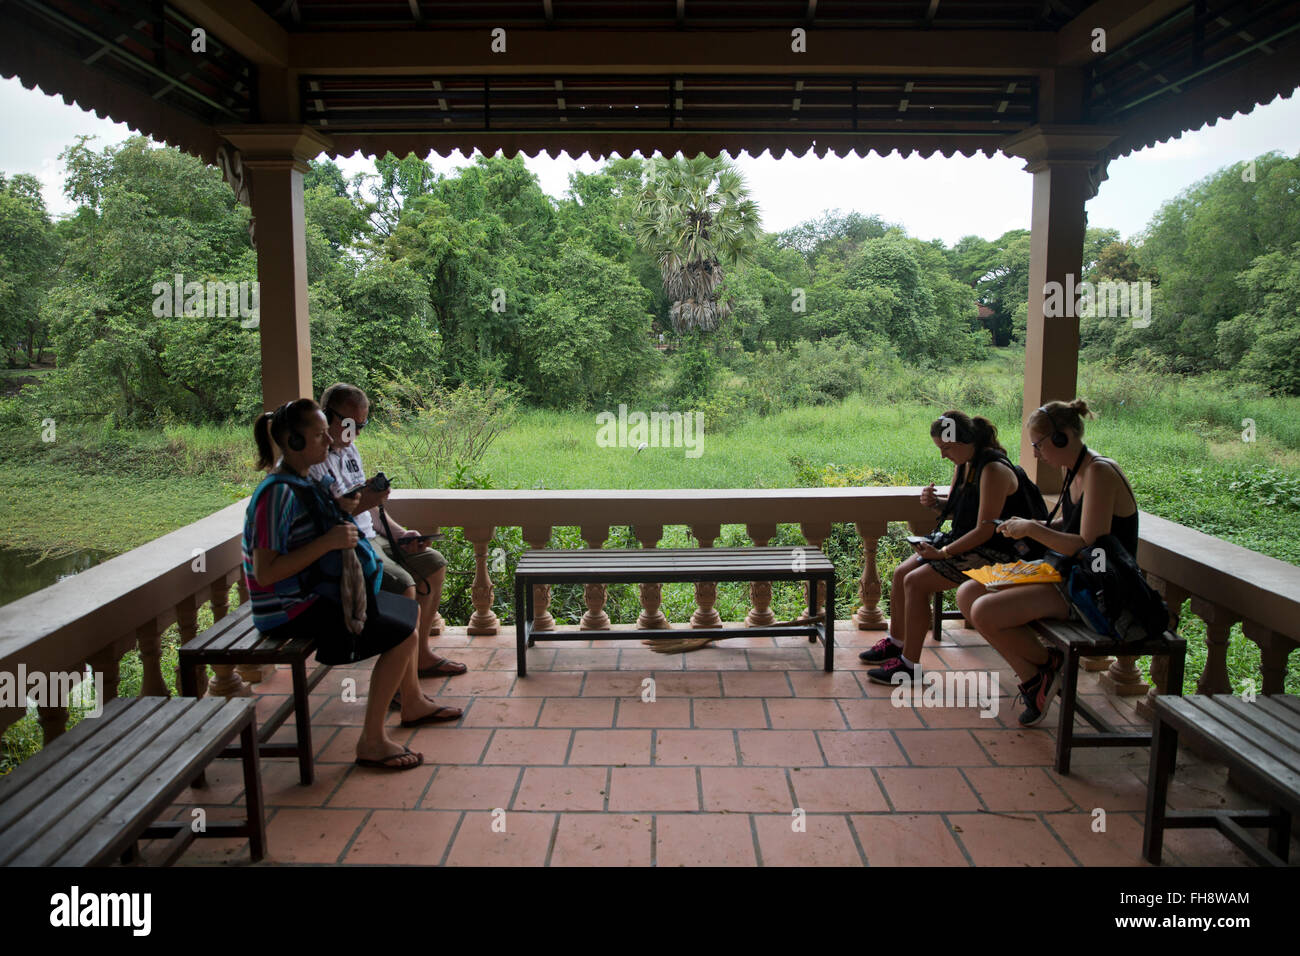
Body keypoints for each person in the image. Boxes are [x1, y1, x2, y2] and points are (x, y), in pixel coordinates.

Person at [243, 399, 459, 772]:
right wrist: (327, 542)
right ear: (294, 441)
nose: (329, 440)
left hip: (315, 595)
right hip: (288, 610)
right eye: (319, 434)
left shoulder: (304, 480)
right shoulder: (276, 493)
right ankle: (372, 741)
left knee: (405, 619)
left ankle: (408, 704)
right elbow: (265, 573)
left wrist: (352, 507)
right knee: (401, 633)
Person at [957, 398, 1139, 727]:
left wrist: (1031, 528)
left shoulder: (1098, 473)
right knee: (968, 593)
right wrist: (1026, 524)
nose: (1037, 454)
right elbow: (1071, 529)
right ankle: (1041, 672)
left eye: (1038, 445)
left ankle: (1043, 672)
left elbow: (1086, 546)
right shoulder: (1075, 471)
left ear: (1062, 437)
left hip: (1094, 589)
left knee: (984, 610)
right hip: (1067, 574)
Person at [859, 410, 1044, 687]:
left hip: (999, 552)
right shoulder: (966, 465)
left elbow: (986, 529)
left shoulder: (993, 469)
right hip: (970, 542)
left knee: (916, 582)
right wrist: (936, 503)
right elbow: (962, 510)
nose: (943, 455)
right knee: (901, 573)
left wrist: (944, 554)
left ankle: (909, 666)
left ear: (965, 441)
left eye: (946, 448)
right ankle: (897, 644)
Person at [309, 383, 465, 694]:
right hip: (351, 546)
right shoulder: (314, 461)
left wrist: (401, 534)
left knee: (433, 563)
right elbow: (330, 522)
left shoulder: (350, 452)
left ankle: (420, 657)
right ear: (327, 416)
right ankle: (402, 688)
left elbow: (372, 510)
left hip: (373, 536)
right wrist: (367, 500)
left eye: (363, 425)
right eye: (351, 424)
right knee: (405, 583)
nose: (356, 432)